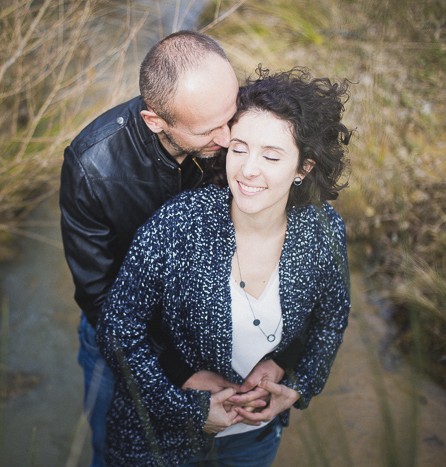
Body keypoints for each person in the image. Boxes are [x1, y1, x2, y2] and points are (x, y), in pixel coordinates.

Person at [96, 65, 353, 466]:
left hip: (254, 441)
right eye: (239, 148)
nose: (248, 169)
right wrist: (189, 410)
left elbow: (331, 316)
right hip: (160, 442)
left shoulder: (323, 229)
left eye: (271, 155)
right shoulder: (181, 222)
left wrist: (298, 382)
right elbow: (117, 328)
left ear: (304, 168)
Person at [60, 32, 292, 466]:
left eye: (232, 113)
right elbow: (97, 295)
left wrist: (283, 359)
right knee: (114, 450)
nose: (229, 140)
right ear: (155, 121)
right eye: (209, 130)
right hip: (120, 341)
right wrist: (177, 372)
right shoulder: (92, 166)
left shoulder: (234, 128)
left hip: (213, 334)